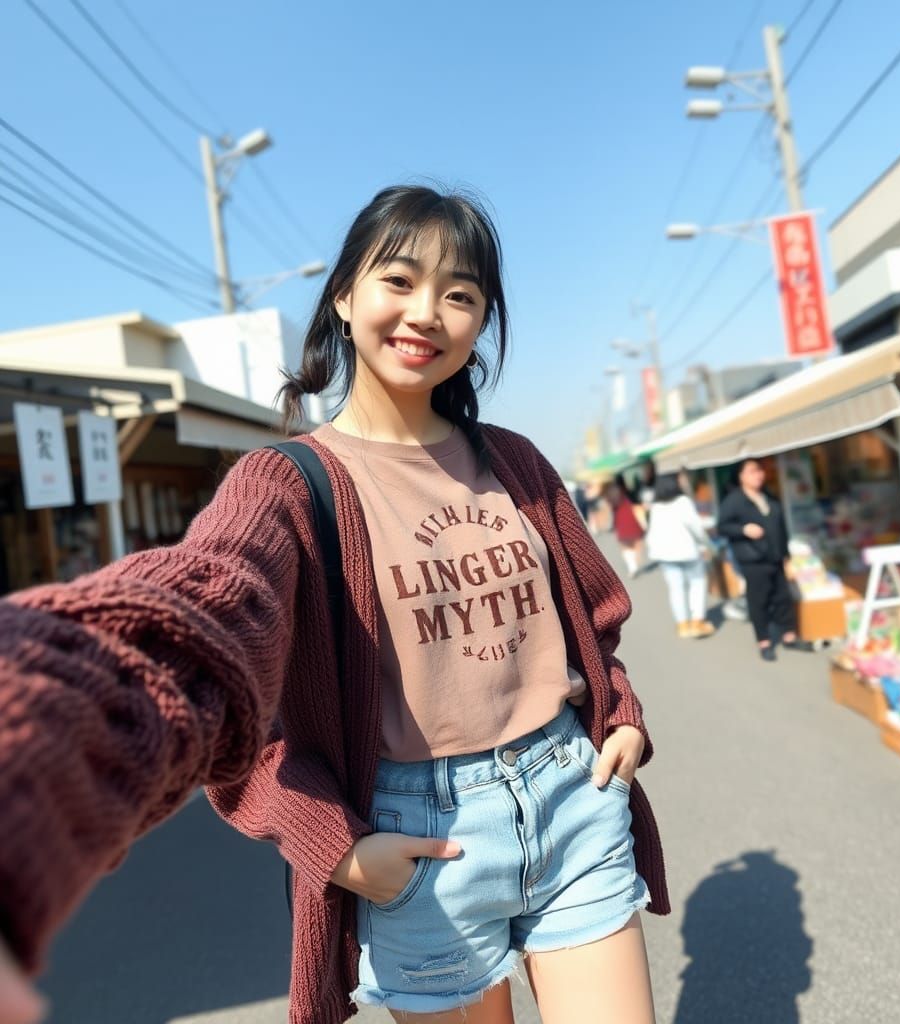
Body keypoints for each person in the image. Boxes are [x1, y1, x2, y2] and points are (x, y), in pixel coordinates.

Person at [0, 185, 668, 1024]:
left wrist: (623, 716)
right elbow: (204, 618)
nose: (428, 312)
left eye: (461, 295)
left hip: (570, 794)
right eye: (399, 280)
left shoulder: (517, 462)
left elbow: (592, 619)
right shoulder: (287, 483)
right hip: (423, 841)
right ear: (345, 297)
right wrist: (337, 846)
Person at [716, 459, 812, 661]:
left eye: (759, 470)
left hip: (775, 556)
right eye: (752, 471)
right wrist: (744, 530)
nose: (758, 475)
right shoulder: (734, 500)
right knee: (758, 600)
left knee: (782, 597)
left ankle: (789, 636)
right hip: (753, 559)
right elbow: (722, 527)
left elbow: (781, 527)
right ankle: (764, 641)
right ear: (741, 476)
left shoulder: (767, 496)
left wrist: (786, 556)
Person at [644, 473, 714, 639]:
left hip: (665, 554)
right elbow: (695, 527)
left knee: (676, 589)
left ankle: (683, 625)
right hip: (688, 552)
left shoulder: (656, 506)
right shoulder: (683, 502)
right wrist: (705, 544)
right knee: (697, 584)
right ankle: (698, 622)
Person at [605, 474, 646, 578]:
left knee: (624, 544)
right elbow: (636, 503)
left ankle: (631, 566)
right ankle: (635, 564)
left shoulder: (611, 492)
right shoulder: (627, 490)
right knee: (635, 542)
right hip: (630, 516)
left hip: (620, 519)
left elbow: (609, 507)